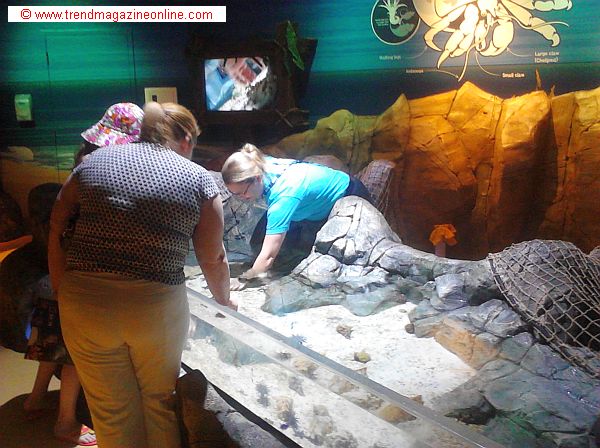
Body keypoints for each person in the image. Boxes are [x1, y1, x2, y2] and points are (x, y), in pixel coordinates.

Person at [48, 101, 234, 448]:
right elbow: (213, 258)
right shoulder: (198, 179)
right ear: (187, 139)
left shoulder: (92, 163)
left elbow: (58, 226)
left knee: (110, 408)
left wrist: (61, 288)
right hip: (154, 305)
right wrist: (224, 301)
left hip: (84, 302)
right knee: (160, 401)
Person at [22, 102, 144, 447]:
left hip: (59, 275)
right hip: (82, 280)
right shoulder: (106, 174)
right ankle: (65, 422)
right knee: (76, 355)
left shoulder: (82, 166)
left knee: (54, 344)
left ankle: (34, 400)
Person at [221, 143, 372, 289]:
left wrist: (245, 279)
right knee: (258, 241)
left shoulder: (284, 196)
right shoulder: (257, 163)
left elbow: (268, 256)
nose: (241, 198)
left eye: (242, 193)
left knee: (304, 256)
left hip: (349, 198)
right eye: (235, 194)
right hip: (307, 205)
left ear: (258, 179)